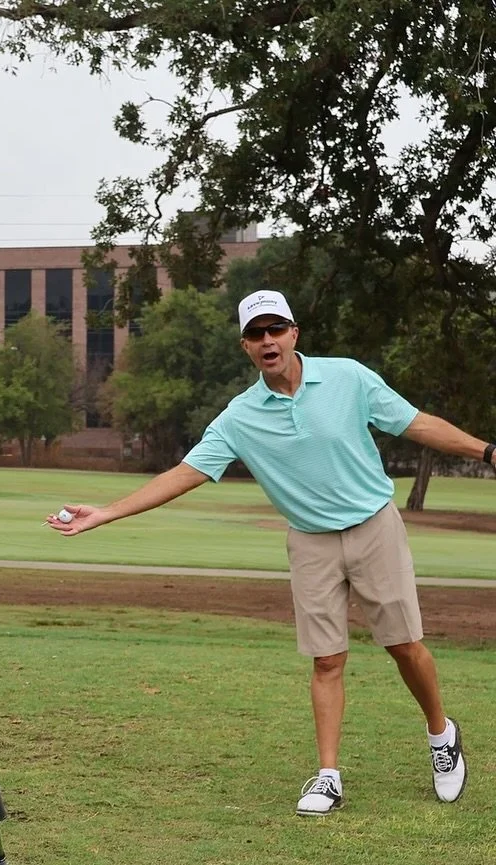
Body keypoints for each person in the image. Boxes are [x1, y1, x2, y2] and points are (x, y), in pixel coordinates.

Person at [49, 289, 492, 816]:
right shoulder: (239, 417)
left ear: (294, 333)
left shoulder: (348, 377)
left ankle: (441, 735)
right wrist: (106, 512)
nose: (268, 341)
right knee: (327, 659)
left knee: (403, 645)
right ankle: (328, 776)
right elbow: (183, 474)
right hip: (310, 541)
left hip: (375, 527)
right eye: (256, 334)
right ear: (246, 346)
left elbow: (415, 423)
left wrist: (487, 451)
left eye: (275, 329)